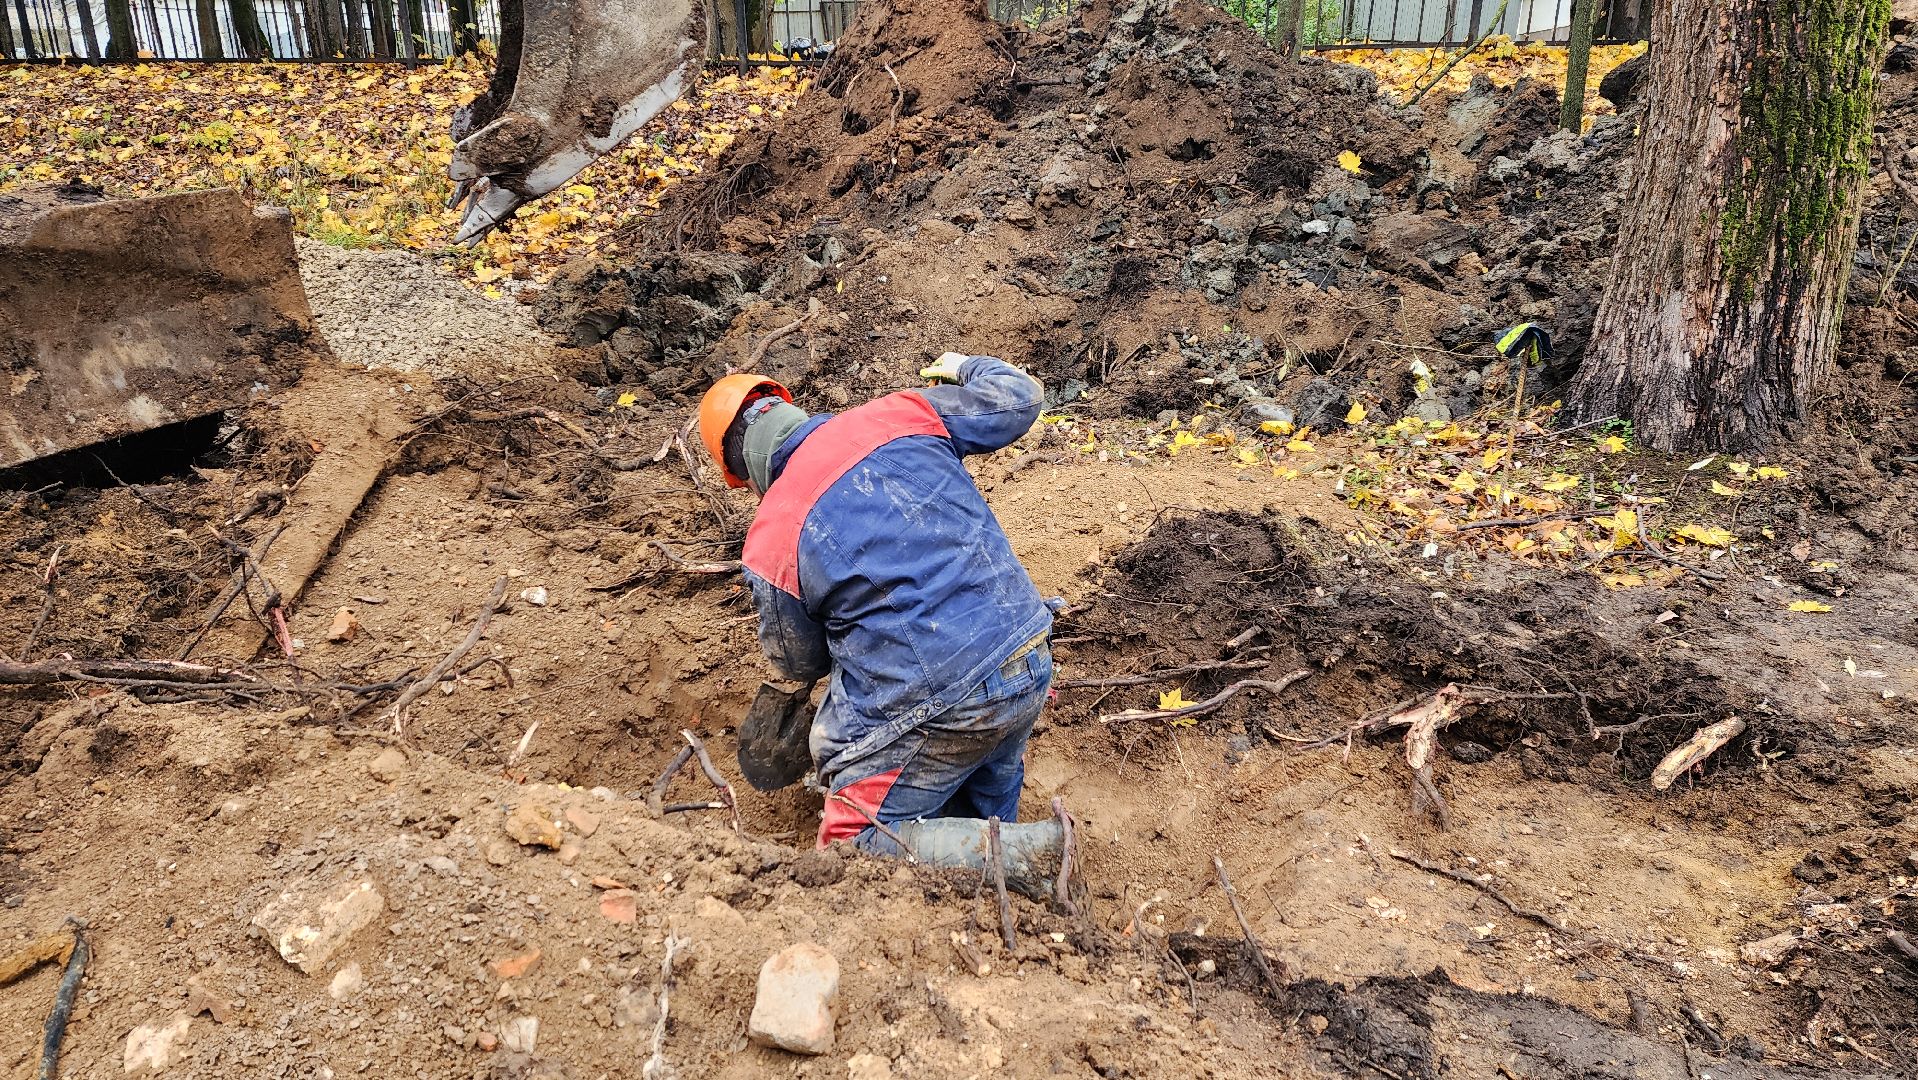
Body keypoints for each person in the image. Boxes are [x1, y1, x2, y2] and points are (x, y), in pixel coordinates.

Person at [697, 352, 1065, 889]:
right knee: (985, 787)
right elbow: (1020, 398)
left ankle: (1028, 857)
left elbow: (798, 660)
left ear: (740, 472)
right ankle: (1005, 868)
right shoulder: (899, 416)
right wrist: (963, 364)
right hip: (1026, 656)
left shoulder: (774, 532)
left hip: (945, 701)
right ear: (790, 410)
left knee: (853, 850)